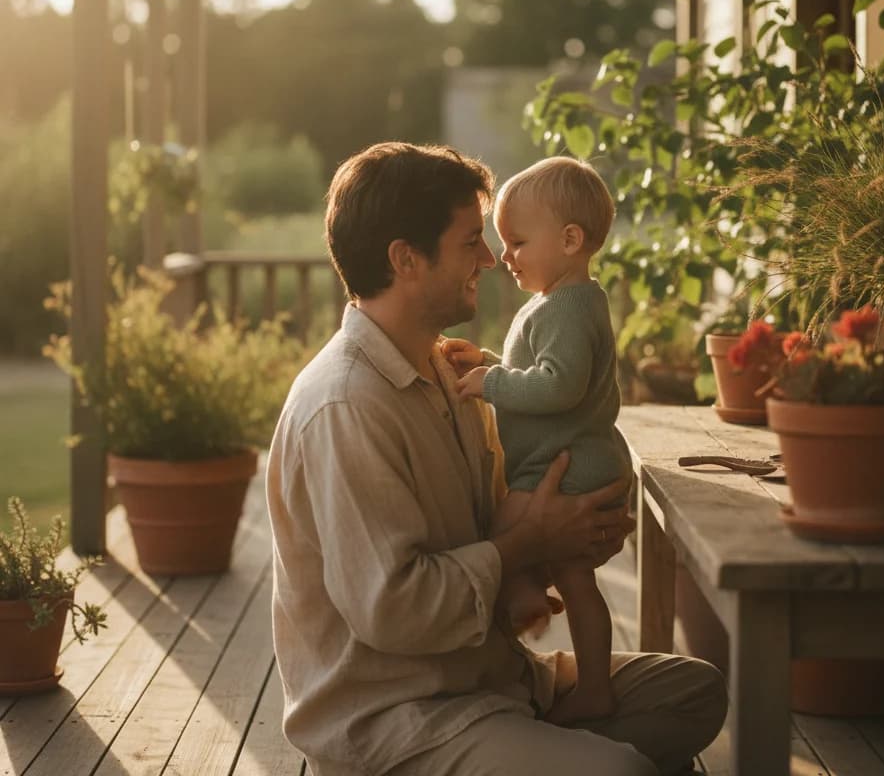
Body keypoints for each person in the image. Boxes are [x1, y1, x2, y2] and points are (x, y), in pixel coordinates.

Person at [266, 141, 727, 776]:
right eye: (469, 242)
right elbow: (394, 612)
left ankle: (544, 743)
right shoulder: (346, 405)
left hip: (496, 683)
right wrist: (529, 540)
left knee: (695, 692)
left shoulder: (447, 371)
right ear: (406, 259)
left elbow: (495, 518)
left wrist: (566, 536)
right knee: (625, 771)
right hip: (405, 719)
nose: (490, 257)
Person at [443, 157, 630, 726]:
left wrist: (492, 383)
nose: (504, 257)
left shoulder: (569, 307)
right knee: (579, 583)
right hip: (573, 454)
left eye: (518, 242)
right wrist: (493, 362)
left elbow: (560, 386)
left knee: (505, 526)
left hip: (566, 462)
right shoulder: (563, 300)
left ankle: (522, 593)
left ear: (571, 240)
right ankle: (595, 687)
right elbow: (544, 372)